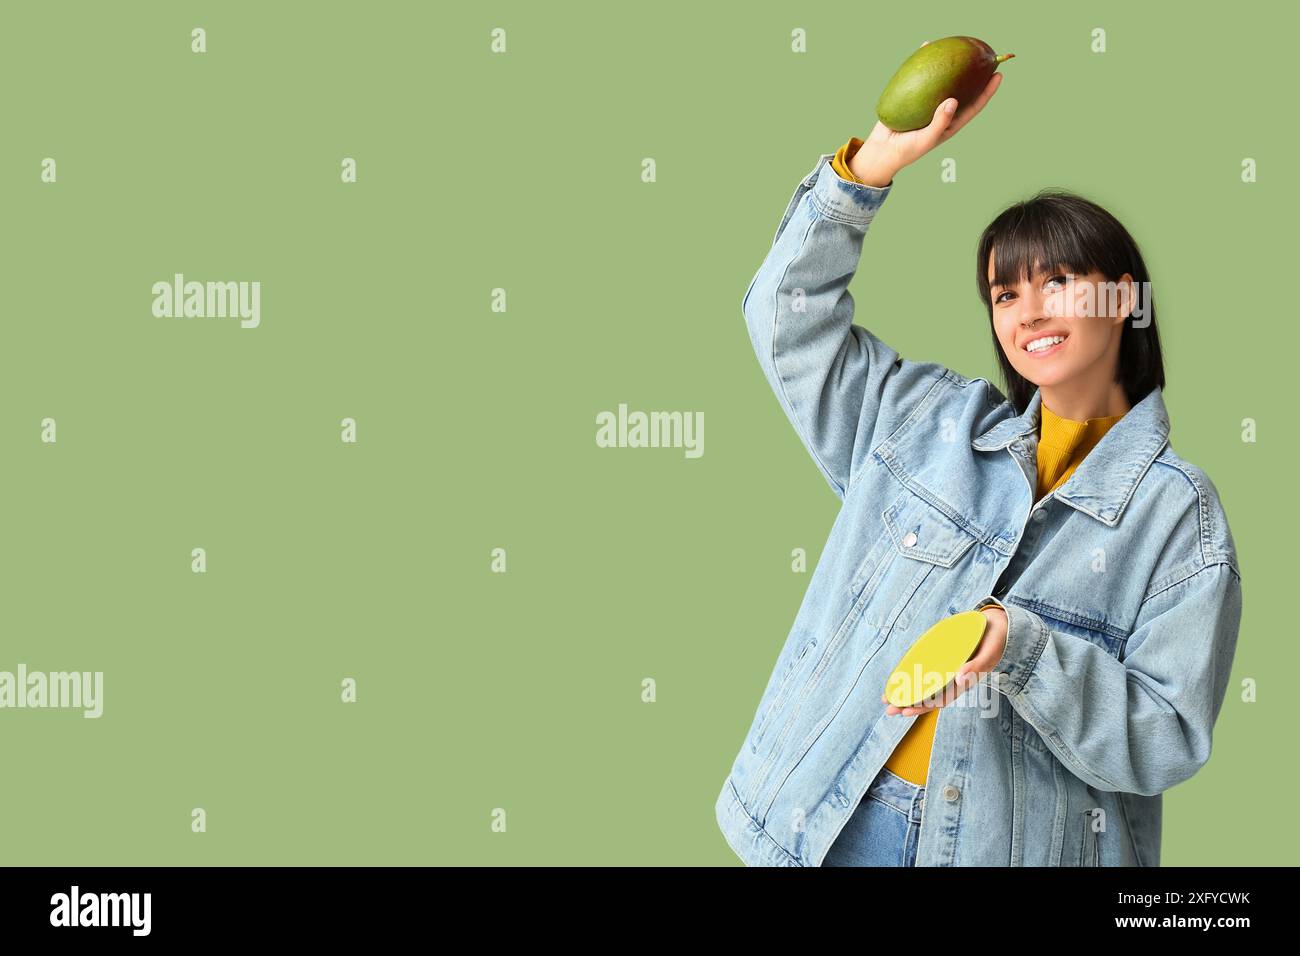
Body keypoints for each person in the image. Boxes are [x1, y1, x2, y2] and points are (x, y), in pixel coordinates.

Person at [716, 54, 1242, 867]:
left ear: (1126, 299)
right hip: (822, 826)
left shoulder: (1179, 515)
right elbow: (786, 324)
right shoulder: (926, 422)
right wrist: (872, 168)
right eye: (1004, 294)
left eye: (1058, 280)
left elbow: (1166, 738)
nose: (1027, 310)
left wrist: (1022, 646)